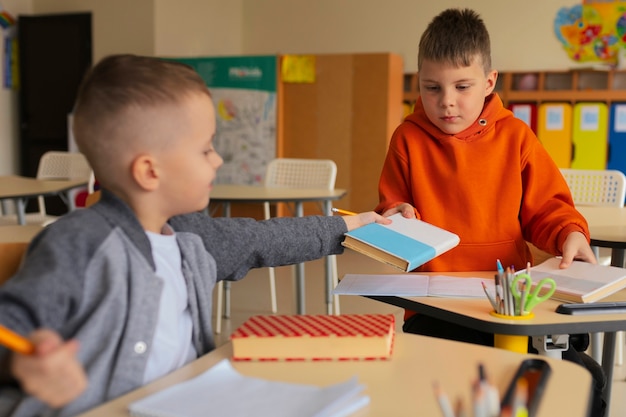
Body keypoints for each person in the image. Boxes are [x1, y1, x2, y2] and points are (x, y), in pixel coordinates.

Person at [0, 54, 390, 417]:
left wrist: (347, 227)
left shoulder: (191, 237)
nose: (218, 159)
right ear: (150, 171)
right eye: (205, 150)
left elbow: (263, 239)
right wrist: (23, 359)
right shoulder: (80, 242)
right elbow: (10, 323)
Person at [375, 8, 605, 416]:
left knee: (583, 379)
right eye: (432, 88)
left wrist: (570, 233)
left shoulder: (516, 137)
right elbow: (388, 213)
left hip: (509, 307)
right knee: (445, 390)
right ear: (419, 84)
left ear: (489, 82)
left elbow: (549, 208)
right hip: (435, 309)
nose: (446, 102)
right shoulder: (406, 139)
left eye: (462, 86)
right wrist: (396, 217)